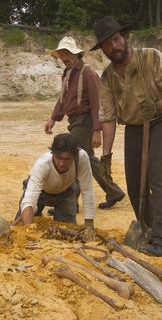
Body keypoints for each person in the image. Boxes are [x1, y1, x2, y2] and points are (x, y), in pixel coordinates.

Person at [91, 16, 162, 256]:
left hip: (161, 121)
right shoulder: (107, 77)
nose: (113, 47)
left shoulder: (151, 57)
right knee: (134, 184)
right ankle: (148, 229)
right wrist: (106, 155)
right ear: (102, 49)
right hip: (133, 127)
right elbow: (109, 117)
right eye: (107, 44)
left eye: (115, 40)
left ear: (125, 37)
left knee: (157, 177)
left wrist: (157, 107)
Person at [45, 36, 125, 209]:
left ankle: (71, 202)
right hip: (75, 121)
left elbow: (98, 103)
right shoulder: (67, 73)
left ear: (75, 54)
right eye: (61, 54)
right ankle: (113, 191)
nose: (64, 57)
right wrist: (53, 117)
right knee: (86, 158)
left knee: (74, 158)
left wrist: (97, 130)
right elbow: (62, 99)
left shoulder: (87, 72)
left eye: (67, 53)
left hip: (85, 121)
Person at [14, 133, 96, 242]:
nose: (62, 163)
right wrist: (29, 229)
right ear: (52, 153)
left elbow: (87, 190)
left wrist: (89, 225)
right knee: (19, 226)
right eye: (58, 158)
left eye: (67, 159)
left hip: (65, 192)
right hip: (40, 192)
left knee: (68, 231)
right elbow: (30, 198)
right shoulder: (42, 165)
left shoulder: (81, 158)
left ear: (74, 156)